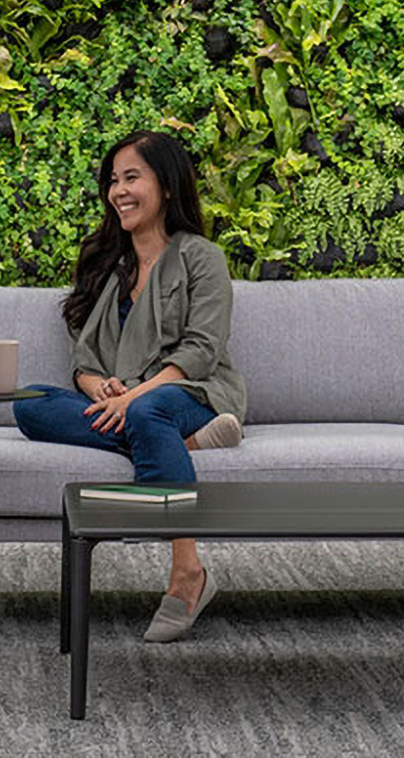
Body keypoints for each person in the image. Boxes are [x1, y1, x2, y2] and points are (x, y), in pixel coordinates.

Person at [13, 130, 245, 643]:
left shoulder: (201, 257)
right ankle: (180, 447)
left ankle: (188, 571)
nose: (119, 190)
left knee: (149, 413)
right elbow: (83, 362)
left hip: (190, 394)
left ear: (165, 184)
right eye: (113, 180)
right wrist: (101, 389)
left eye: (131, 177)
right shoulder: (107, 263)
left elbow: (201, 351)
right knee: (29, 404)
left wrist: (133, 398)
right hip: (130, 404)